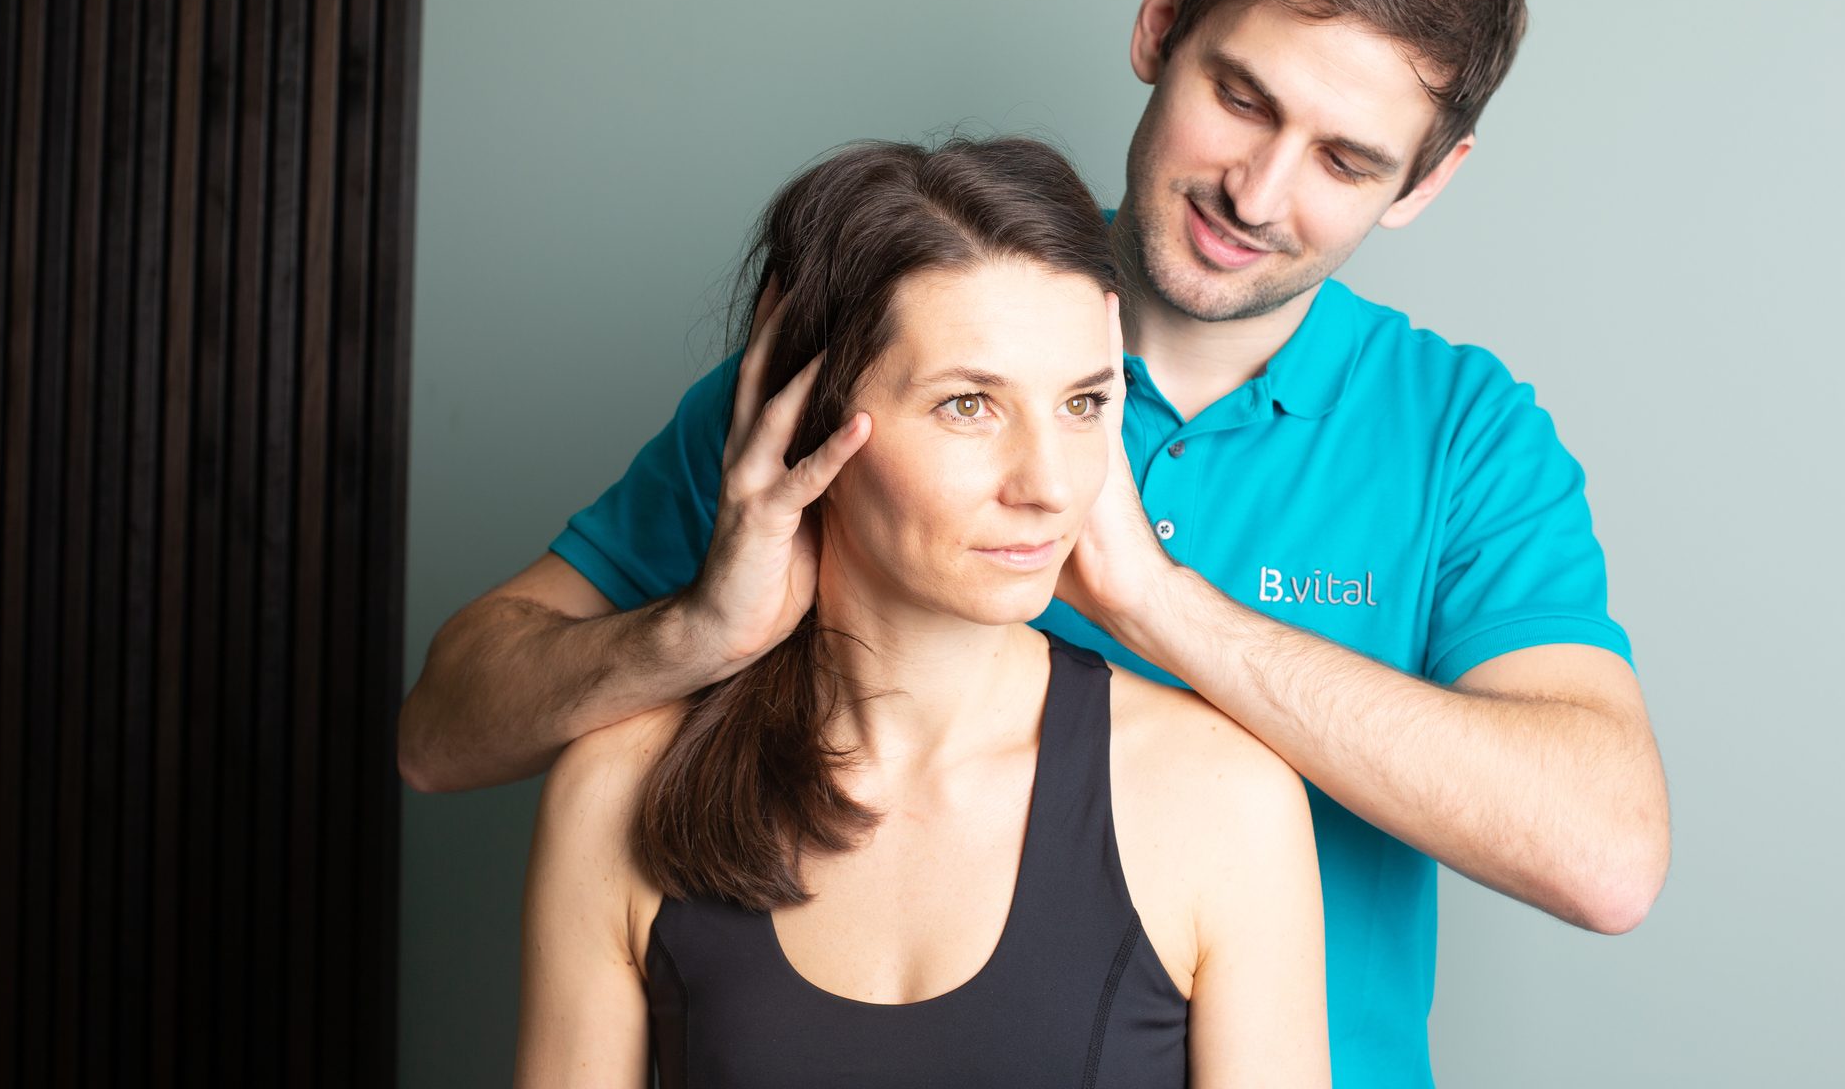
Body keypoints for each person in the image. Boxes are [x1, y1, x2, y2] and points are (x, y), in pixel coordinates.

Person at [404, 0, 1670, 1088]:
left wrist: (1156, 602)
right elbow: (441, 731)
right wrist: (689, 632)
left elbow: (1606, 854)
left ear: (1427, 183)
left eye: (1346, 160)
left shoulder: (1458, 432)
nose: (1259, 189)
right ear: (1161, 21)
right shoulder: (872, 352)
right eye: (1242, 96)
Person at [513, 137, 1328, 1087]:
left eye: (1080, 404)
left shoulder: (1222, 801)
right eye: (969, 406)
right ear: (803, 420)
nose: (1048, 485)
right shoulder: (616, 794)